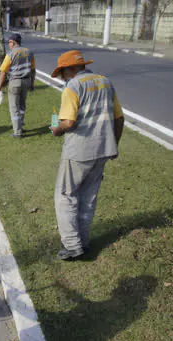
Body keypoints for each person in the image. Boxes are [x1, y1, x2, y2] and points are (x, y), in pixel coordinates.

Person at [49, 50, 125, 260]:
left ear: (70, 69)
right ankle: (83, 241)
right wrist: (114, 144)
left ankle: (72, 246)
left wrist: (55, 129)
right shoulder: (105, 82)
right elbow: (119, 118)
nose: (63, 77)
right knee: (88, 198)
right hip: (103, 149)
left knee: (66, 196)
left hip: (79, 151)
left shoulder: (74, 86)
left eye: (62, 73)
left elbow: (68, 122)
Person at [0, 33, 36, 138]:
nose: (8, 44)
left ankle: (17, 132)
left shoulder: (10, 54)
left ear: (13, 42)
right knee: (22, 106)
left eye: (9, 42)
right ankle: (20, 125)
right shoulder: (29, 52)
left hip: (15, 82)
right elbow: (33, 70)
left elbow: (3, 72)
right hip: (26, 81)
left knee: (14, 108)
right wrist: (32, 83)